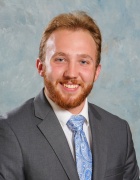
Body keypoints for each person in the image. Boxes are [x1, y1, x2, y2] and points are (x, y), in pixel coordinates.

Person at [0, 11, 139, 180]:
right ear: (40, 67)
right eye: (60, 59)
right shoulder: (10, 131)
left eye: (83, 62)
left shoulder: (119, 131)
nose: (72, 73)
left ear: (96, 72)